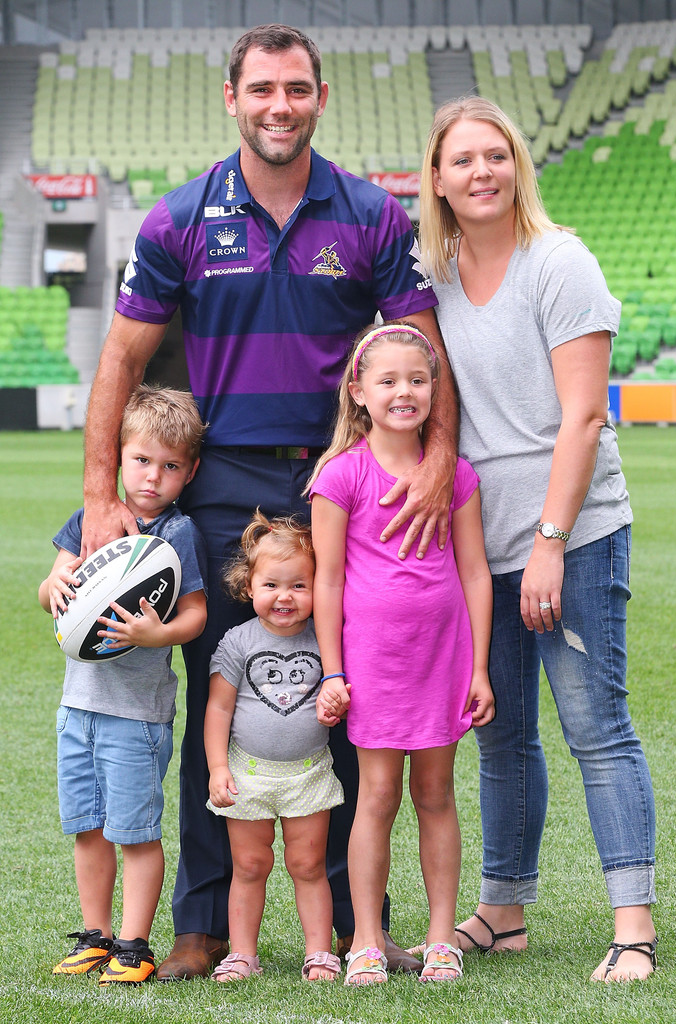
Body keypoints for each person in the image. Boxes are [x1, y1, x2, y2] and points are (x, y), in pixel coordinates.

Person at [79, 24, 458, 980]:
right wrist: (97, 495)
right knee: (224, 692)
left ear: (320, 98)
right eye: (261, 90)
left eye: (296, 89)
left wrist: (436, 454)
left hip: (338, 485)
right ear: (231, 97)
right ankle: (206, 925)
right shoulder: (176, 217)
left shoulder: (370, 213)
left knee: (336, 686)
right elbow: (122, 360)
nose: (278, 106)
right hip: (221, 487)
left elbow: (423, 347)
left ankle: (334, 927)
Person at [419, 96, 658, 983]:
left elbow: (585, 415)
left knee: (595, 726)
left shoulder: (559, 261)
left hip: (575, 534)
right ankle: (502, 909)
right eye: (461, 160)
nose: (481, 172)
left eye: (495, 156)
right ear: (436, 181)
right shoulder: (431, 275)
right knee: (500, 732)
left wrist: (552, 541)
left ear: (517, 164)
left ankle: (630, 924)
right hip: (482, 545)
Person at [307, 322, 495, 984]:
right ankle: (364, 936)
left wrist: (476, 666)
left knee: (436, 793)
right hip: (372, 665)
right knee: (377, 795)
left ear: (434, 389)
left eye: (416, 380)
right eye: (386, 381)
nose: (403, 392)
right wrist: (332, 669)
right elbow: (326, 581)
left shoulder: (455, 475)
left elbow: (473, 572)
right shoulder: (339, 476)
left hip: (440, 661)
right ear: (357, 391)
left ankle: (441, 938)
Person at [39, 385, 208, 985]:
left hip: (136, 714)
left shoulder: (178, 534)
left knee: (133, 830)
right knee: (86, 826)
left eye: (169, 467)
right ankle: (96, 935)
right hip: (77, 705)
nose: (152, 477)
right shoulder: (94, 518)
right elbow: (55, 580)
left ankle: (134, 945)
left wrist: (153, 634)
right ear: (118, 457)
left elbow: (194, 614)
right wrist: (53, 588)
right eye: (141, 460)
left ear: (188, 472)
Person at [204, 510, 344, 983]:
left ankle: (319, 952)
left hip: (309, 772)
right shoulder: (236, 642)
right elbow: (219, 710)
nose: (285, 596)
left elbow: (337, 691)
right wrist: (217, 767)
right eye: (272, 585)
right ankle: (242, 953)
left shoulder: (327, 640)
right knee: (249, 864)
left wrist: (333, 705)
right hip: (248, 773)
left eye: (299, 586)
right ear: (249, 587)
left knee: (308, 864)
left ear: (317, 586)